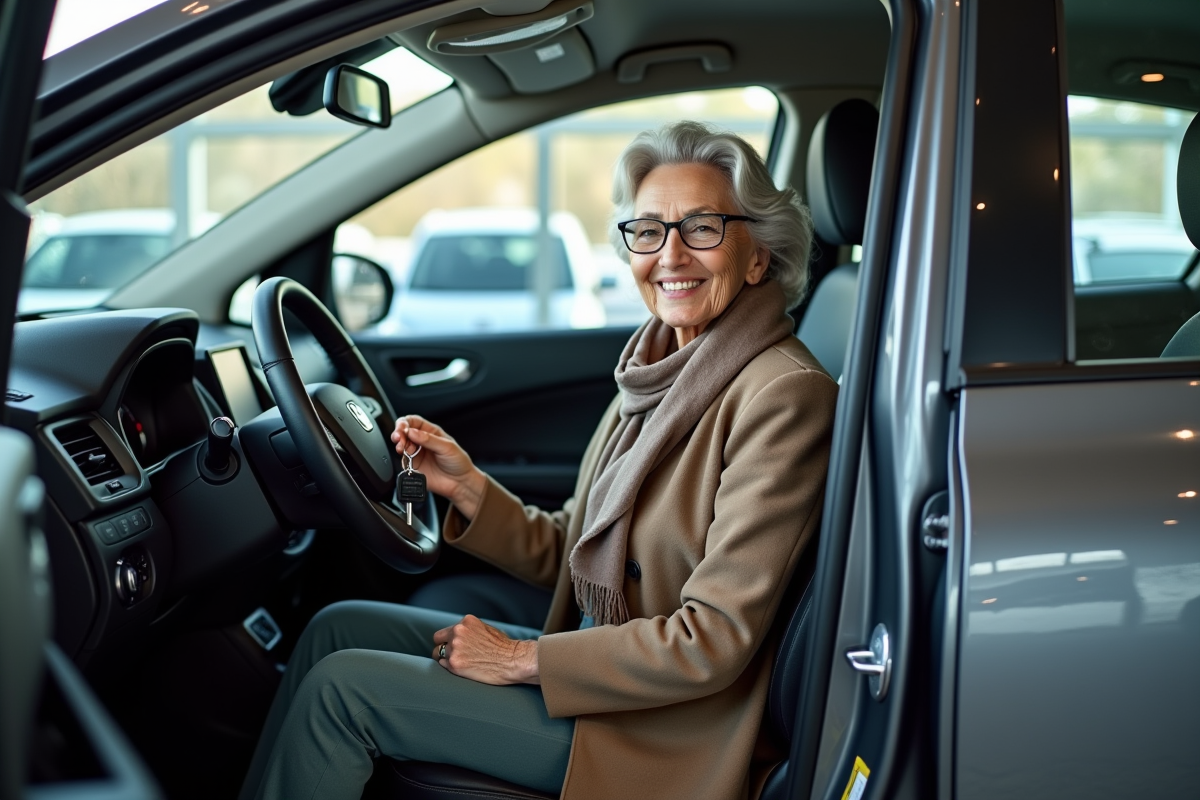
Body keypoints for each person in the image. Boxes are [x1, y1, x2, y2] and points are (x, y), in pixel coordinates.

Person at [239, 120, 839, 800]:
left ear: (757, 256)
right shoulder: (660, 369)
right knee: (335, 627)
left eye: (702, 228)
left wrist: (521, 659)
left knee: (342, 692)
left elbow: (712, 639)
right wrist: (468, 488)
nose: (670, 255)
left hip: (665, 728)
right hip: (605, 664)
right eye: (647, 230)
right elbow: (581, 553)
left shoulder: (782, 395)